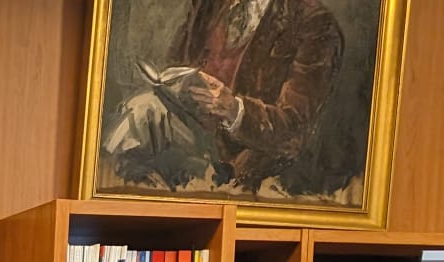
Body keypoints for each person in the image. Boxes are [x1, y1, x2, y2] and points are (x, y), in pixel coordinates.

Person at [103, 0, 342, 189]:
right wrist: (176, 84)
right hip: (190, 134)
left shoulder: (314, 24)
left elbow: (293, 130)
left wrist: (233, 109)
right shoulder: (208, 5)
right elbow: (177, 63)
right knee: (141, 110)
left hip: (241, 161)